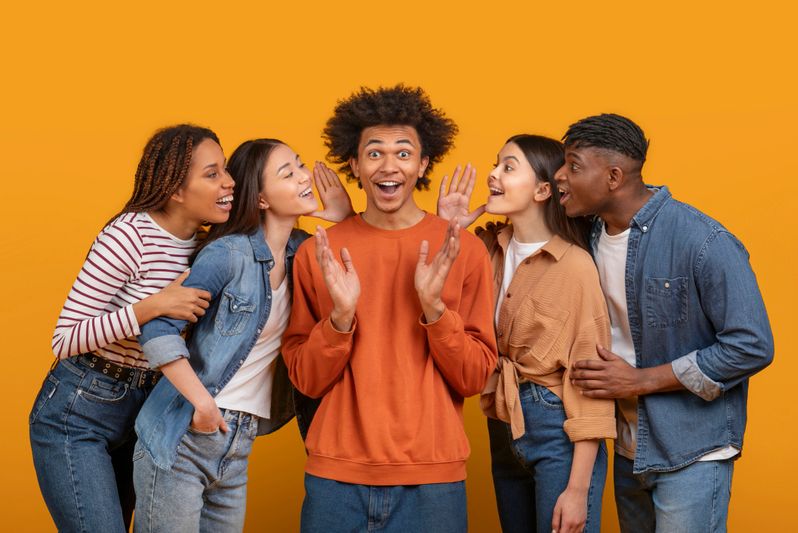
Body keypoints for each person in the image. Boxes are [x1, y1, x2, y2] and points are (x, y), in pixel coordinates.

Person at [281, 85, 498, 533]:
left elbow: (475, 377)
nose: (388, 164)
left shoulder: (464, 250)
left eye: (403, 152)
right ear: (355, 165)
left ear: (422, 165)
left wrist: (435, 310)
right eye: (374, 152)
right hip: (335, 476)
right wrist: (340, 320)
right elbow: (305, 378)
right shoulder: (318, 253)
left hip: (433, 478)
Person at [557, 113, 774, 532]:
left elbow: (752, 345)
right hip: (627, 450)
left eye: (574, 165)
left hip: (692, 449)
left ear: (614, 176)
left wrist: (641, 381)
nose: (561, 176)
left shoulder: (703, 241)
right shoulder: (591, 237)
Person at [132, 139, 353, 533]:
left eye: (299, 166)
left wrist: (341, 216)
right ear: (262, 199)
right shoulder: (229, 254)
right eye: (288, 173)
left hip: (238, 440)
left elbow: (359, 250)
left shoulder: (299, 253)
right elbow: (158, 325)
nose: (305, 177)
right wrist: (202, 405)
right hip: (184, 433)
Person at [29, 124, 232, 532]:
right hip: (79, 411)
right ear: (176, 189)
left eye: (225, 170)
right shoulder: (129, 236)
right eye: (212, 174)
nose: (229, 182)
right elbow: (65, 338)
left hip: (148, 411)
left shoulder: (212, 246)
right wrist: (152, 307)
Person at [438, 134, 615, 533]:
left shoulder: (574, 267)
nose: (492, 174)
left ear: (542, 189)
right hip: (502, 421)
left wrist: (578, 490)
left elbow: (591, 385)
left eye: (508, 167)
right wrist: (452, 230)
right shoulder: (484, 248)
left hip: (557, 433)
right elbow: (432, 303)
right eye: (495, 163)